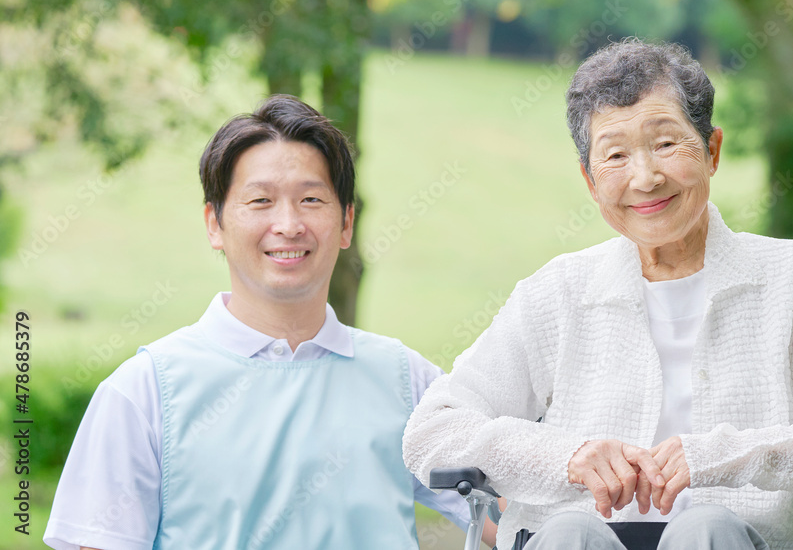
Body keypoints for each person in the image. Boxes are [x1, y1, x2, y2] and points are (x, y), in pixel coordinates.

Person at [403, 39, 793, 550]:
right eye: (616, 155)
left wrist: (725, 457)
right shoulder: (555, 294)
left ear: (712, 150)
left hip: (742, 540)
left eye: (667, 144)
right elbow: (431, 431)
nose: (645, 178)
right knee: (570, 533)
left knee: (706, 529)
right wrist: (568, 456)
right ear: (589, 179)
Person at [44, 95, 488, 549]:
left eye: (311, 199)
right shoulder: (144, 392)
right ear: (213, 224)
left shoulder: (406, 379)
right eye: (260, 201)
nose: (288, 224)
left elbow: (509, 518)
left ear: (347, 222)